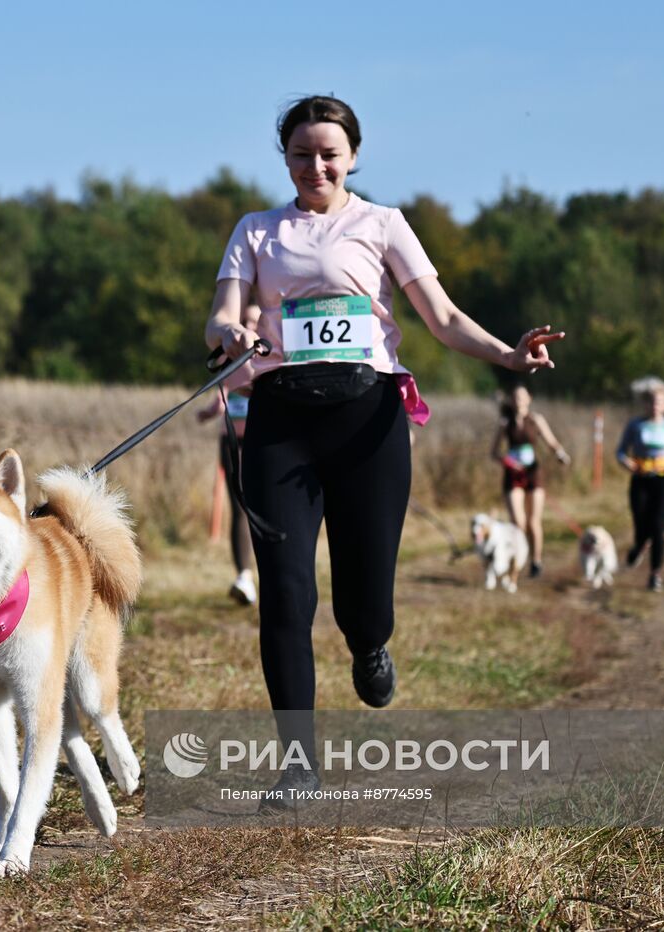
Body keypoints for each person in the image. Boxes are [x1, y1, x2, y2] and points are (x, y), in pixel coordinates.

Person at [204, 95, 562, 802]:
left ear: (354, 157)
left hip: (369, 419)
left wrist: (509, 357)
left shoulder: (383, 224)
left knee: (363, 596)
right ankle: (298, 764)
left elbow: (444, 316)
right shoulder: (256, 230)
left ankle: (369, 644)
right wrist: (231, 333)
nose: (316, 165)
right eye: (302, 153)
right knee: (285, 591)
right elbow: (221, 311)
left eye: (329, 152)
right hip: (280, 421)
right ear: (285, 158)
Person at [197, 304, 262, 606]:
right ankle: (244, 577)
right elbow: (220, 398)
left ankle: (273, 575)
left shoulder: (271, 356)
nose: (248, 326)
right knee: (240, 508)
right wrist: (207, 412)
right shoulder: (229, 356)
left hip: (263, 442)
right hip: (231, 441)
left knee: (265, 508)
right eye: (244, 320)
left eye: (254, 320)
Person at [615, 377, 664, 592]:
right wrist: (628, 464)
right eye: (651, 402)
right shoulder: (635, 425)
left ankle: (655, 574)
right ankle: (639, 547)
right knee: (641, 526)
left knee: (658, 527)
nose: (656, 406)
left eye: (660, 402)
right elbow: (620, 452)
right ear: (645, 404)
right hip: (640, 480)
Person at [490, 385, 571, 578]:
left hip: (533, 473)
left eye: (522, 397)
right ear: (511, 400)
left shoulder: (536, 420)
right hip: (513, 474)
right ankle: (518, 558)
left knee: (533, 521)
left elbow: (551, 442)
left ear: (529, 399)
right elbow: (494, 452)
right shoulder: (505, 422)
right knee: (518, 522)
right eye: (515, 397)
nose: (518, 400)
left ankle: (536, 561)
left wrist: (560, 454)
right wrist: (508, 462)